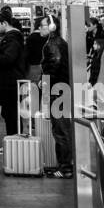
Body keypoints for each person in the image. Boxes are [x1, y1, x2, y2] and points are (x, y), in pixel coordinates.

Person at [39, 14, 73, 177]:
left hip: (57, 90)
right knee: (61, 128)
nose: (40, 28)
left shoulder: (52, 45)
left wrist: (44, 81)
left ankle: (65, 167)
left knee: (61, 130)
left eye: (42, 25)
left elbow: (55, 64)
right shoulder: (58, 43)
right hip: (61, 89)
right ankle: (64, 165)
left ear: (52, 27)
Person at [0, 7, 28, 147]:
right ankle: (13, 143)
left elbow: (8, 59)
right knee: (11, 114)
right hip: (10, 81)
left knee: (11, 114)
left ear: (4, 23)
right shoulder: (13, 38)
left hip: (11, 82)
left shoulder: (11, 39)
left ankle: (13, 144)